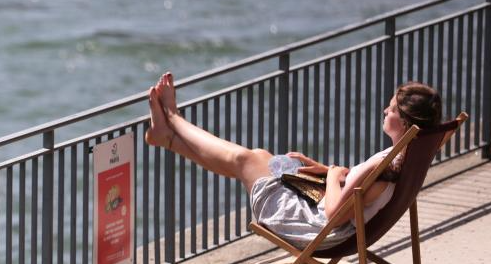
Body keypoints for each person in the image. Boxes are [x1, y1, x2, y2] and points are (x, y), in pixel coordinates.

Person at [143, 72, 443, 249]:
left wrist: (333, 175)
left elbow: (334, 215)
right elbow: (364, 189)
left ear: (404, 123)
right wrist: (326, 170)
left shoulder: (384, 166)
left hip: (318, 230)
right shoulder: (402, 159)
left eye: (390, 110)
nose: (384, 112)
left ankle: (172, 118)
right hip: (331, 225)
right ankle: (166, 137)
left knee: (245, 158)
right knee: (260, 158)